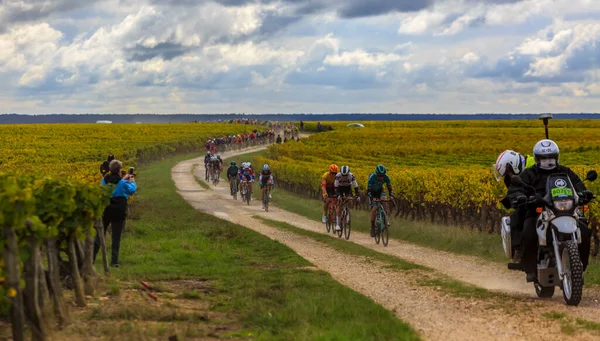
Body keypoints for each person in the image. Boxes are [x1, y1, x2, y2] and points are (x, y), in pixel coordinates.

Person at [508, 139, 593, 282]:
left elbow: (578, 185)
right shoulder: (529, 174)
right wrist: (521, 197)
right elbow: (517, 189)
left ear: (557, 157)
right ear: (537, 159)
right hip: (538, 211)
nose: (548, 162)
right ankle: (530, 268)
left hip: (565, 210)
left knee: (584, 231)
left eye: (551, 158)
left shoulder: (565, 172)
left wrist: (585, 193)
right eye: (544, 159)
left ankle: (580, 267)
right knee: (529, 231)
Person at [93, 160, 137, 267]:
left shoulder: (104, 180)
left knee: (99, 236)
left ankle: (91, 259)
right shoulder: (122, 183)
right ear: (119, 170)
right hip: (118, 212)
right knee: (116, 237)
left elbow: (109, 186)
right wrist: (132, 181)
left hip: (106, 211)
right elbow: (131, 190)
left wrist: (123, 179)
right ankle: (114, 261)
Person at [494, 150, 534, 263]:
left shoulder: (534, 164)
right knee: (516, 216)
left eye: (508, 173)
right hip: (532, 202)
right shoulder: (521, 171)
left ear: (513, 165)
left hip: (549, 198)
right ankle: (519, 251)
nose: (508, 177)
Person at [367, 165, 394, 237]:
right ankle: (372, 226)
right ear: (376, 174)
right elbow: (368, 191)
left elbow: (389, 188)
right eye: (379, 176)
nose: (381, 178)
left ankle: (386, 218)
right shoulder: (372, 177)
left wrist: (391, 195)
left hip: (380, 191)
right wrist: (372, 198)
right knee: (374, 208)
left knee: (384, 201)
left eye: (382, 176)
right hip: (372, 193)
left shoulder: (386, 177)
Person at [334, 165, 360, 231]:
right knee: (339, 204)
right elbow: (336, 188)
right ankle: (337, 224)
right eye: (343, 175)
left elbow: (356, 187)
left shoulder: (351, 176)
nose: (344, 177)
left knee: (350, 200)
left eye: (346, 175)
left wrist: (358, 195)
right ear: (341, 173)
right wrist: (338, 195)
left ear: (348, 174)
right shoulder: (338, 176)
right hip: (339, 189)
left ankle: (347, 213)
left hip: (348, 188)